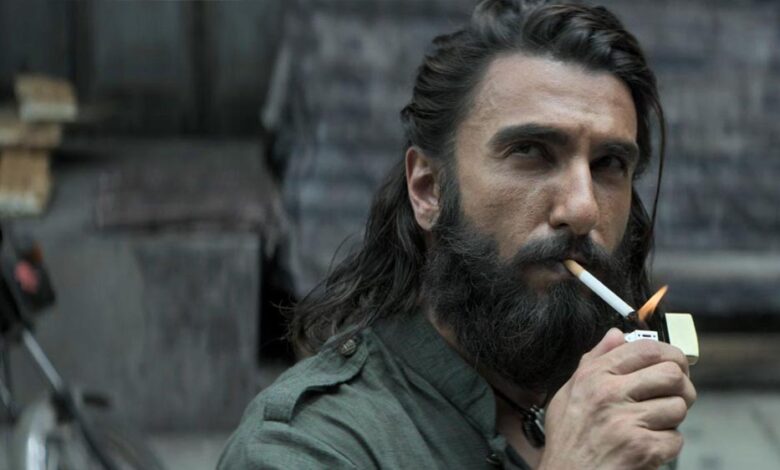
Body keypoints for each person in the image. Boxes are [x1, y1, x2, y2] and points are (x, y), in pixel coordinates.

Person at [219, 1, 696, 468]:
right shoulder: (305, 447)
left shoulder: (613, 398)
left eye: (609, 163)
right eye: (531, 151)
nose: (582, 208)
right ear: (428, 189)